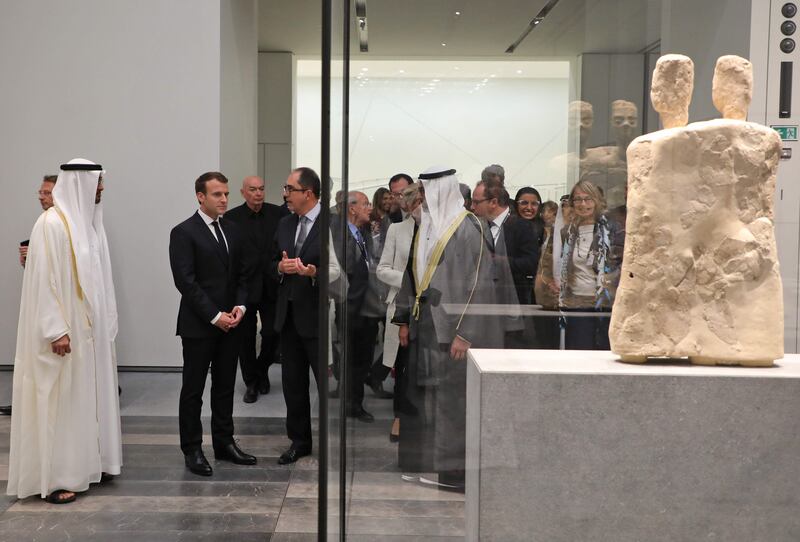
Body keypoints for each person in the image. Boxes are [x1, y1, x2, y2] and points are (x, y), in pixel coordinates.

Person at [7, 159, 122, 504]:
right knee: (59, 402)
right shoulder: (51, 224)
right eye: (97, 184)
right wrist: (56, 329)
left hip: (90, 337)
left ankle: (87, 465)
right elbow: (43, 281)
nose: (101, 190)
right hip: (63, 336)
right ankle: (56, 478)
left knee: (85, 401)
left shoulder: (89, 226)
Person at [393, 166, 503, 492]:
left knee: (453, 402)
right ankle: (427, 463)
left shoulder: (469, 227)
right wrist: (403, 318)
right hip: (425, 323)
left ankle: (454, 473)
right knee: (425, 399)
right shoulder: (429, 224)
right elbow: (413, 274)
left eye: (428, 190)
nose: (423, 197)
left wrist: (465, 332)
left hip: (452, 329)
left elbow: (480, 283)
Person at [169, 171, 256, 477]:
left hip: (232, 323)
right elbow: (186, 282)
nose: (224, 199)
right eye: (217, 194)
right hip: (200, 325)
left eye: (226, 194)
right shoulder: (183, 232)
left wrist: (241, 308)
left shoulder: (233, 230)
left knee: (224, 386)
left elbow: (244, 275)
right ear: (200, 197)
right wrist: (215, 316)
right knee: (193, 390)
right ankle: (192, 449)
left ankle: (224, 442)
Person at [271, 167, 325, 465]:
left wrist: (313, 274)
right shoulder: (283, 224)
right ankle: (299, 441)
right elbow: (269, 262)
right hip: (289, 316)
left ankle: (333, 443)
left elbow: (346, 271)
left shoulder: (332, 225)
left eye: (290, 188)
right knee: (293, 384)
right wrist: (279, 268)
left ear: (308, 192)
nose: (285, 193)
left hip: (319, 317)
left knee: (326, 386)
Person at [223, 176, 289, 403]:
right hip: (244, 287)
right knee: (245, 338)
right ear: (243, 193)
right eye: (253, 189)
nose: (258, 193)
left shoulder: (279, 215)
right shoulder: (231, 218)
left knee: (273, 333)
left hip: (272, 285)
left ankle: (261, 370)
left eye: (261, 188)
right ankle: (251, 382)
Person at [332, 191, 386, 423]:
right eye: (365, 204)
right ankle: (351, 405)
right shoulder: (339, 235)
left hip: (368, 307)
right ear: (352, 209)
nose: (370, 207)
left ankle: (354, 402)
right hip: (351, 307)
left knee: (362, 360)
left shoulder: (363, 233)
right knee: (352, 359)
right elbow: (345, 272)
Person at [377, 183, 422, 443]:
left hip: (428, 305)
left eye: (421, 203)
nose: (418, 208)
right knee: (401, 364)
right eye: (414, 203)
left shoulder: (435, 232)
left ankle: (419, 415)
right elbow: (382, 268)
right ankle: (398, 416)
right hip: (401, 304)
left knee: (421, 363)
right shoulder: (397, 229)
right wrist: (408, 279)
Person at [557, 180, 624, 350]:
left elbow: (621, 266)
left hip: (605, 303)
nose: (583, 204)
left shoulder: (611, 229)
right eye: (578, 200)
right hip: (577, 303)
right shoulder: (568, 232)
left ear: (596, 201)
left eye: (588, 199)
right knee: (580, 352)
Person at [533, 201, 561, 349]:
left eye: (555, 213)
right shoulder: (540, 230)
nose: (550, 216)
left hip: (555, 292)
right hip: (543, 290)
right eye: (548, 212)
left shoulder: (560, 233)